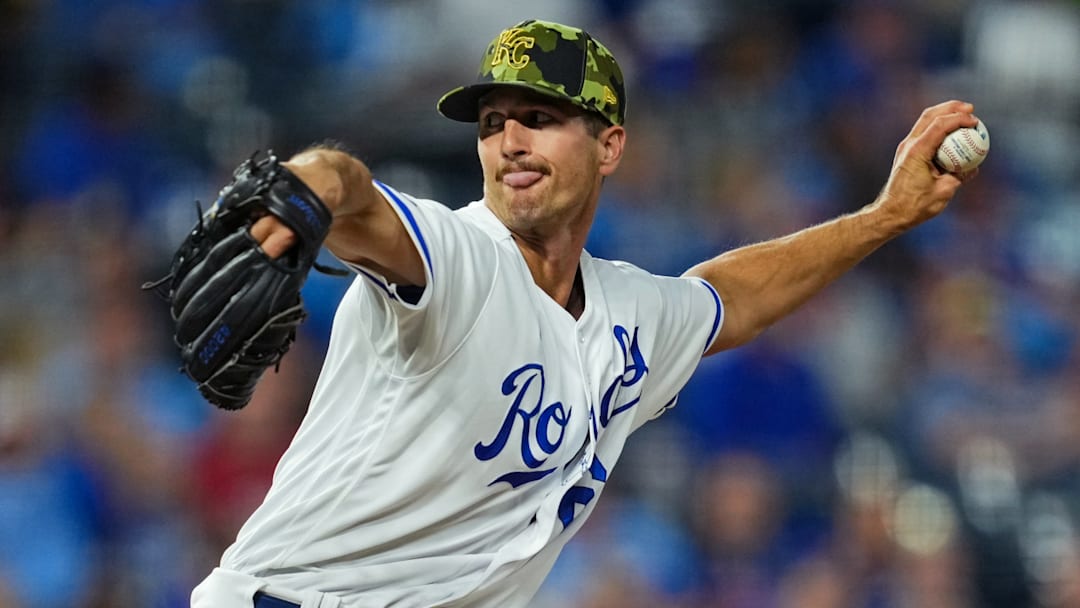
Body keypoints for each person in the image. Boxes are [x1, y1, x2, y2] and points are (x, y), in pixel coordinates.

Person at [190, 18, 980, 608]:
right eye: (494, 123)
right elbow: (351, 191)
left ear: (610, 146)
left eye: (539, 118)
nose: (509, 142)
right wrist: (312, 188)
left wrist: (884, 217)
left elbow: (731, 299)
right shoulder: (462, 259)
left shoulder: (629, 313)